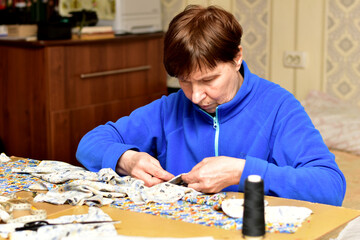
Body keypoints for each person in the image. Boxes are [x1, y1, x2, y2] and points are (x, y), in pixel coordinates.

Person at [76, 5, 346, 206]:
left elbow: (331, 187)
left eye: (209, 80)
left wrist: (243, 172)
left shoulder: (279, 107)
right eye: (184, 81)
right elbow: (88, 144)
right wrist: (127, 159)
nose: (195, 97)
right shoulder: (170, 107)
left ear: (237, 58)